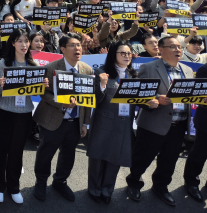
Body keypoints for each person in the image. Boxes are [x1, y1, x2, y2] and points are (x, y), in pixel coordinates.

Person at [126, 36, 194, 206]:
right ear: (161, 50)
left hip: (178, 125)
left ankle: (160, 186)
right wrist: (156, 98)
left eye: (179, 47)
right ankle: (134, 183)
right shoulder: (148, 68)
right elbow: (137, 93)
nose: (178, 50)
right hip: (152, 124)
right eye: (173, 47)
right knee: (142, 157)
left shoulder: (186, 70)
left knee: (169, 160)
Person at [0, 29, 49, 204]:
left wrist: (43, 85)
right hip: (2, 113)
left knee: (17, 152)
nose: (23, 45)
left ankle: (14, 186)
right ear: (13, 43)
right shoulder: (3, 63)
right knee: (0, 150)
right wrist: (0, 85)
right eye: (19, 41)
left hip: (23, 115)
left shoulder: (35, 66)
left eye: (26, 41)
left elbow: (38, 93)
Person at [32, 33, 93, 202]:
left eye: (79, 45)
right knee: (46, 153)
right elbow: (43, 93)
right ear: (63, 49)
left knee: (68, 155)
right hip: (52, 120)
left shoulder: (87, 70)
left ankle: (60, 181)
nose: (78, 49)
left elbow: (88, 100)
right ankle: (41, 181)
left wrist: (85, 123)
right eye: (73, 45)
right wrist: (62, 104)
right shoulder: (52, 67)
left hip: (75, 123)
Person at [86, 41, 136, 204]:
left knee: (115, 159)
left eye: (129, 53)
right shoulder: (101, 72)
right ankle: (94, 189)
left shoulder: (133, 75)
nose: (126, 56)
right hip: (104, 121)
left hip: (124, 124)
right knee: (98, 158)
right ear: (113, 54)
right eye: (122, 53)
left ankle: (107, 190)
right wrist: (101, 84)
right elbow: (95, 101)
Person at [183, 60, 207, 202]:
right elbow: (197, 96)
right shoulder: (205, 69)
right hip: (206, 120)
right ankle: (191, 182)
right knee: (200, 153)